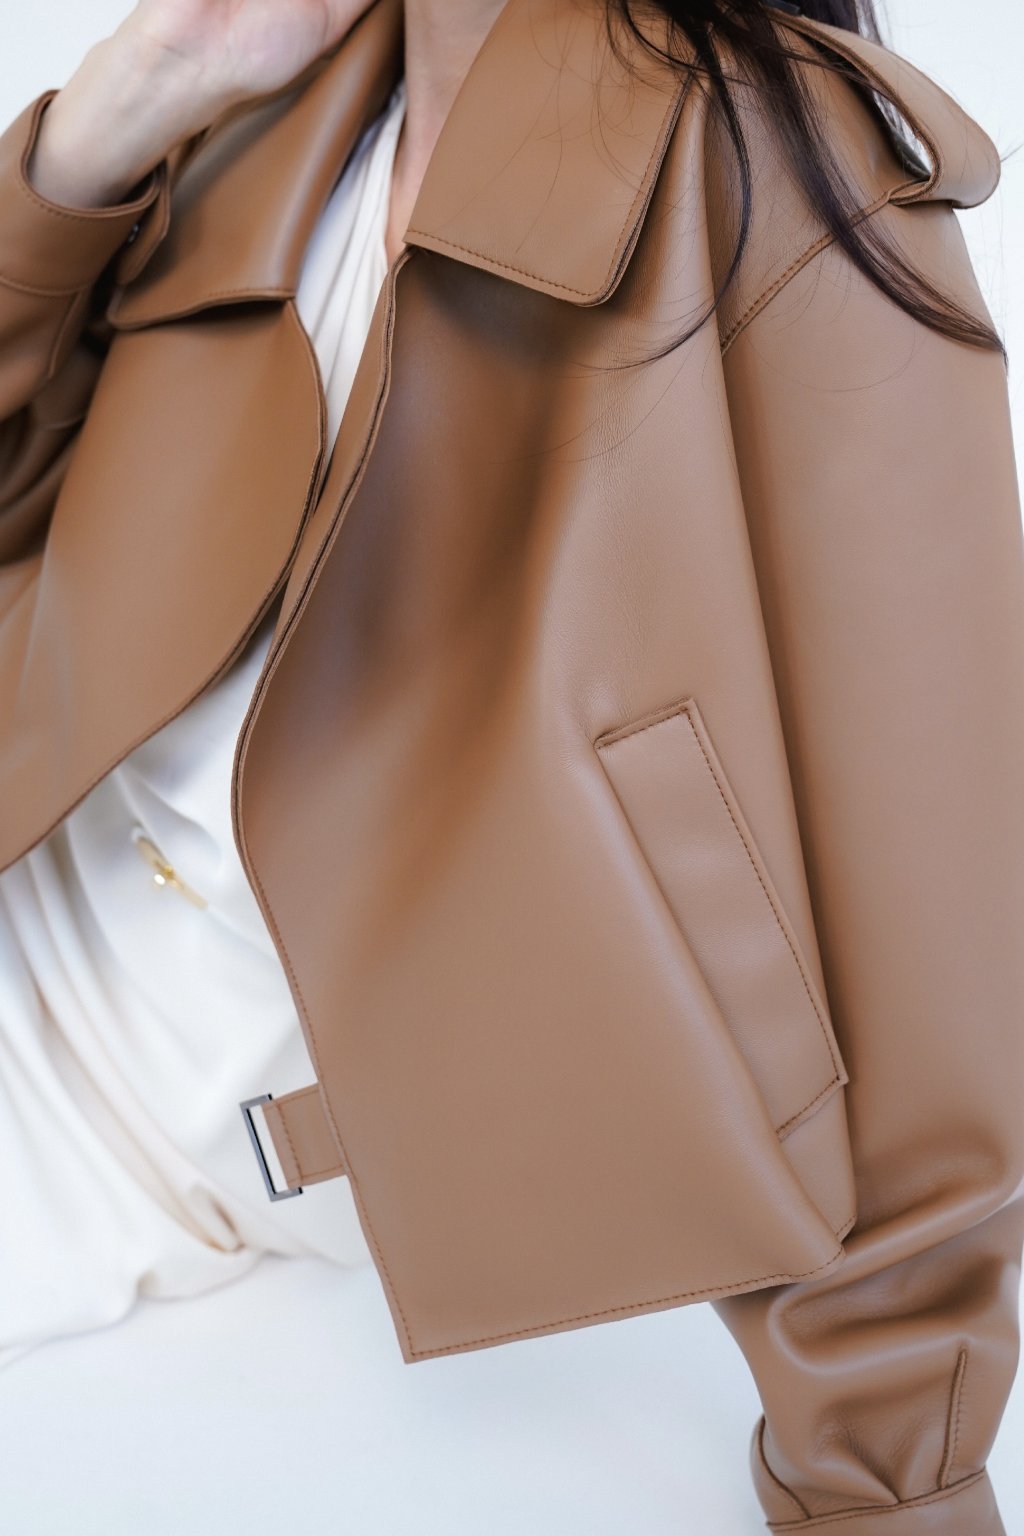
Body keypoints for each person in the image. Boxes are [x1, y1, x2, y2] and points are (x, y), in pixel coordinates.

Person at [0, 0, 1021, 1530]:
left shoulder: (786, 168)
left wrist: (888, 1476)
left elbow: (925, 902)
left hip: (156, 1129)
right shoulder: (285, 82)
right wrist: (113, 117)